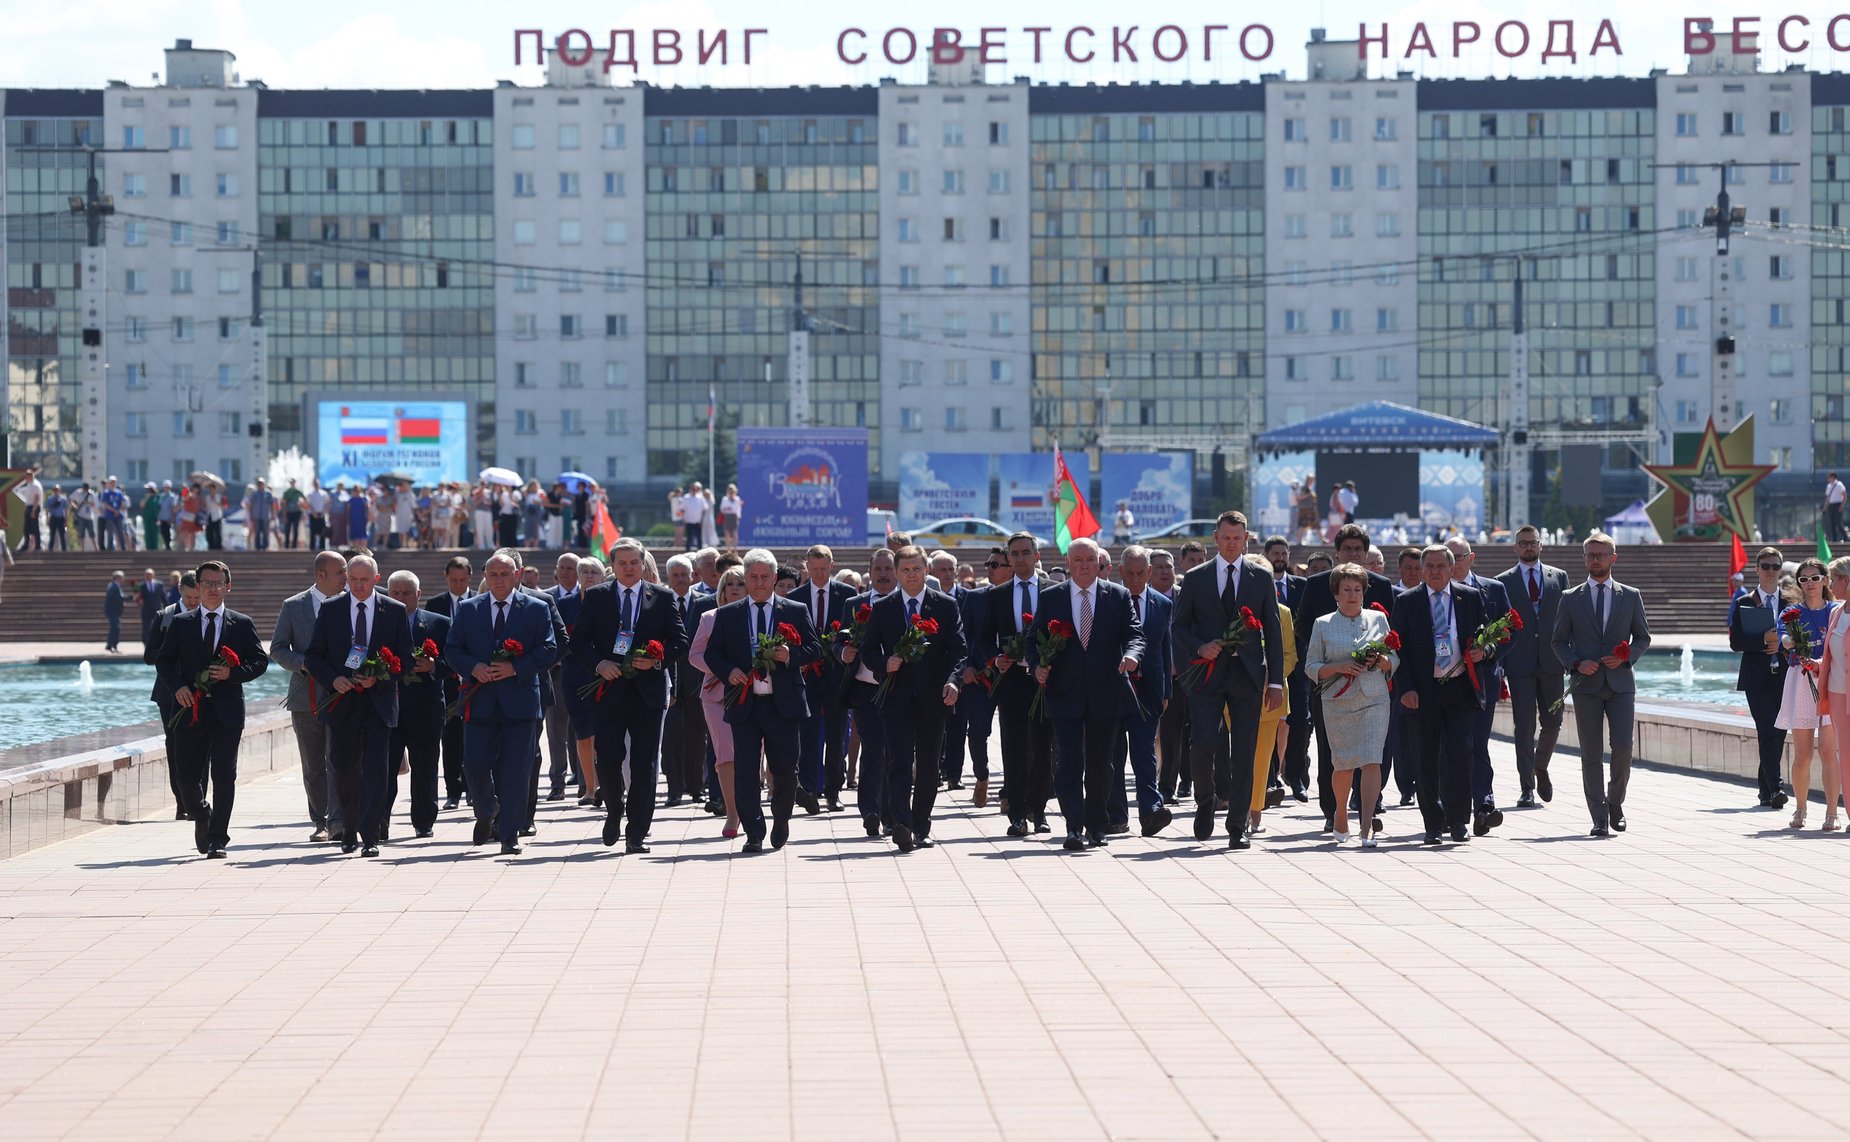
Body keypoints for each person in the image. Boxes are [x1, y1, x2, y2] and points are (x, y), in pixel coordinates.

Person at [1173, 511, 1286, 849]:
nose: (1232, 543)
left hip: (1247, 674)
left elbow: (1274, 632)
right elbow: (1178, 626)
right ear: (1216, 538)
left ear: (1246, 539)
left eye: (1238, 538)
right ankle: (1205, 799)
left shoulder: (1260, 578)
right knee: (1203, 743)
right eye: (1226, 538)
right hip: (1208, 673)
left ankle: (1237, 825)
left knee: (1245, 751)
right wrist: (1200, 646)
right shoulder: (1196, 578)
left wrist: (1276, 682)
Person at [570, 537, 688, 853]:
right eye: (622, 563)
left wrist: (656, 660)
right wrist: (600, 663)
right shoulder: (596, 597)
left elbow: (679, 643)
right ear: (613, 566)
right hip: (609, 691)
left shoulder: (662, 597)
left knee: (644, 764)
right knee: (608, 758)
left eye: (634, 562)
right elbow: (578, 642)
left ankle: (637, 832)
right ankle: (613, 810)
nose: (628, 568)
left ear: (643, 563)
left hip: (648, 693)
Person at [1025, 538, 1142, 852]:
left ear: (1100, 563)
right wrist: (1037, 666)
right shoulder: (1051, 597)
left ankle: (1097, 825)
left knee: (1102, 763)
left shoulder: (1116, 595)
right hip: (1065, 694)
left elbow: (1134, 634)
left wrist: (1131, 656)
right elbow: (1033, 640)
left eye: (1091, 559)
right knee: (1069, 762)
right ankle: (1073, 826)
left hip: (1107, 692)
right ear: (1068, 563)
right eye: (1079, 560)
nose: (1085, 565)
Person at [703, 548, 822, 852]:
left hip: (783, 705)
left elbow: (814, 649)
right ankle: (753, 831)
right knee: (745, 769)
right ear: (745, 578)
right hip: (745, 703)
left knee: (784, 768)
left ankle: (781, 819)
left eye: (764, 577)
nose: (758, 583)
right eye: (752, 577)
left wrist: (790, 655)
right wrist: (729, 671)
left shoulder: (794, 610)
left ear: (774, 578)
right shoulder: (729, 613)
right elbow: (712, 652)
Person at [445, 551, 558, 855]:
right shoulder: (469, 609)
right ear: (485, 576)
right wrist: (473, 667)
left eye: (504, 574)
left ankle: (510, 835)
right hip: (479, 700)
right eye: (492, 574)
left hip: (520, 702)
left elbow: (549, 649)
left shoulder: (536, 608)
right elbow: (452, 649)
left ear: (517, 575)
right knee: (475, 766)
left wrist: (515, 668)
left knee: (517, 770)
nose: (498, 580)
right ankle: (487, 809)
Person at [156, 560, 270, 858]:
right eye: (207, 583)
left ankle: (218, 838)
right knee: (184, 775)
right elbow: (164, 661)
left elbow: (259, 662)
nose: (212, 589)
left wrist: (233, 674)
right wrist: (178, 687)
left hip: (227, 712)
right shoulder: (182, 623)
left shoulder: (241, 623)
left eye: (218, 583)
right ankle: (201, 813)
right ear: (198, 587)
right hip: (189, 708)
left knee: (224, 775)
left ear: (228, 587)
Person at [304, 555, 413, 857]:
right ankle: (348, 828)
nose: (359, 585)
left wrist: (378, 677)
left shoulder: (394, 611)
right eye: (353, 579)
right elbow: (314, 656)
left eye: (365, 579)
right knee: (344, 768)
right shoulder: (331, 610)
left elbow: (405, 660)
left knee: (378, 770)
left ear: (377, 579)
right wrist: (334, 679)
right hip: (342, 702)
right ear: (346, 579)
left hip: (378, 704)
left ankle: (370, 834)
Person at [859, 545, 965, 852]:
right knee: (900, 762)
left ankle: (922, 826)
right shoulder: (884, 607)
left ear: (926, 570)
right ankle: (901, 823)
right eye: (905, 570)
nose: (911, 575)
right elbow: (867, 650)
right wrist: (884, 663)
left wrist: (953, 681)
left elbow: (959, 650)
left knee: (930, 765)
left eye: (917, 569)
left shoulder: (945, 606)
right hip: (895, 698)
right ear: (896, 573)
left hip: (934, 699)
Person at [1293, 525, 1395, 833]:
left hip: (1373, 691)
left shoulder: (1380, 585)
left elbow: (1393, 640)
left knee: (1373, 754)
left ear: (1366, 553)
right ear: (1338, 551)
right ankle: (1333, 810)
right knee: (1334, 755)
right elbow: (1303, 629)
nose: (1353, 553)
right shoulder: (1317, 586)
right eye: (1347, 548)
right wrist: (1335, 663)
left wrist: (1380, 661)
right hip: (1333, 690)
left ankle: (1367, 812)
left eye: (1358, 549)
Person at [1549, 532, 1653, 837]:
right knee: (1590, 753)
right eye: (1590, 555)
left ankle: (1615, 802)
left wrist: (1626, 657)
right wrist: (1577, 662)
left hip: (1621, 684)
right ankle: (1598, 817)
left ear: (1613, 558)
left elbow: (1643, 638)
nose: (1596, 559)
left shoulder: (1631, 596)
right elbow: (1558, 641)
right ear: (1584, 559)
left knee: (1623, 747)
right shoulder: (1570, 598)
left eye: (1601, 554)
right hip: (1586, 685)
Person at [1391, 544, 1491, 845]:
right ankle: (1433, 824)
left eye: (1440, 566)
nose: (1435, 571)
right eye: (1429, 566)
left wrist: (1483, 651)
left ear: (1451, 569)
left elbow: (1487, 637)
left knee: (1460, 754)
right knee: (1425, 758)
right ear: (1422, 570)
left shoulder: (1470, 598)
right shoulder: (1407, 602)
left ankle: (1459, 820)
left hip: (1460, 688)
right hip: (1423, 692)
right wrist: (1406, 688)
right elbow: (1398, 649)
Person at [976, 531, 1057, 838]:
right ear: (1008, 559)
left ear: (1037, 556)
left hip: (1045, 681)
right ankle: (1018, 813)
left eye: (1026, 552)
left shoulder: (1053, 591)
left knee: (1042, 748)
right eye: (1015, 554)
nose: (1021, 558)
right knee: (1014, 747)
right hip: (1011, 682)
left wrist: (1051, 659)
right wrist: (996, 659)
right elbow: (983, 639)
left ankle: (1039, 810)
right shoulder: (996, 595)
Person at [271, 551, 349, 843]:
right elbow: (277, 648)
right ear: (321, 575)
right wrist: (305, 663)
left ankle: (339, 819)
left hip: (343, 695)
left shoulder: (349, 604)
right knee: (313, 763)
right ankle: (320, 820)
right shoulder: (293, 606)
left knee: (338, 758)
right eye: (341, 572)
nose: (346, 577)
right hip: (306, 698)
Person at [1498, 525, 1569, 808]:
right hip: (1520, 663)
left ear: (1541, 546)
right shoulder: (1503, 582)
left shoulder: (1559, 577)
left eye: (1532, 543)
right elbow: (1501, 625)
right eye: (1523, 543)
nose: (1528, 547)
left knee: (1553, 722)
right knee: (1524, 726)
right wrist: (1501, 664)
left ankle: (1541, 766)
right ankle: (1526, 786)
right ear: (1515, 548)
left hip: (1552, 662)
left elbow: (1567, 619)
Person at [1445, 536, 1510, 836]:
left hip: (1483, 679)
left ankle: (1484, 803)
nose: (1454, 563)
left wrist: (1487, 651)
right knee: (1454, 745)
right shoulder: (1435, 593)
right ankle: (1450, 806)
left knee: (1479, 741)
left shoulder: (1493, 589)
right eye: (1449, 557)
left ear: (1472, 558)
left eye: (1459, 557)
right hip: (1446, 681)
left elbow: (1509, 633)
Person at [382, 570, 452, 840]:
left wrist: (435, 666)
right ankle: (379, 820)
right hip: (387, 707)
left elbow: (455, 659)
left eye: (407, 593)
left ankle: (424, 821)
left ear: (418, 595)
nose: (401, 598)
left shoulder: (439, 624)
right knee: (383, 767)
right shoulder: (379, 622)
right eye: (395, 593)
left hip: (426, 709)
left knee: (425, 767)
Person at [1773, 557, 1837, 830]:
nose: (1809, 583)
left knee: (1827, 750)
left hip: (1831, 682)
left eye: (1814, 577)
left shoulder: (1837, 610)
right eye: (1803, 579)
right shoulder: (1792, 613)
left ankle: (1832, 813)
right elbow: (1784, 638)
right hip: (1801, 681)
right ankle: (1800, 808)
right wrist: (1792, 642)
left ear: (1825, 580)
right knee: (1802, 754)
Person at [1113, 545, 1172, 836]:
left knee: (1145, 752)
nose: (1135, 579)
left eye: (1141, 573)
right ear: (1120, 571)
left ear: (1149, 572)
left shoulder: (1163, 603)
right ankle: (1116, 815)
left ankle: (1150, 810)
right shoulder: (1109, 599)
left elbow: (1165, 649)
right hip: (1114, 689)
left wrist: (1166, 691)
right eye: (1130, 573)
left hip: (1148, 692)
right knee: (1113, 753)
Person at [688, 567, 751, 836]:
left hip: (751, 692)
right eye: (729, 584)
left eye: (740, 583)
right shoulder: (709, 617)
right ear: (721, 591)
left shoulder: (757, 616)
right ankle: (732, 814)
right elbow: (695, 654)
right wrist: (722, 669)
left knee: (749, 754)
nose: (735, 588)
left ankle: (750, 809)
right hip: (716, 695)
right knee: (726, 754)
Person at [793, 545, 857, 811]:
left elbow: (852, 631)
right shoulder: (796, 597)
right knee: (807, 734)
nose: (818, 574)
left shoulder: (847, 594)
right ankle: (809, 788)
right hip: (807, 676)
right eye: (814, 569)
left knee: (836, 734)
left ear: (832, 565)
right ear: (807, 568)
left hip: (837, 675)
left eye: (823, 569)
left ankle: (833, 791)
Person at [947, 548, 1011, 803]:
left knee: (1013, 734)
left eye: (995, 564)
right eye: (988, 564)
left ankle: (1009, 790)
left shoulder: (1019, 596)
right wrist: (967, 669)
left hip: (1011, 676)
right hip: (979, 677)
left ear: (1011, 567)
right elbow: (962, 637)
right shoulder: (974, 598)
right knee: (977, 733)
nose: (989, 568)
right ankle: (982, 775)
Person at [1732, 547, 1793, 811]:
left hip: (1784, 676)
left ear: (1780, 570)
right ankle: (1777, 786)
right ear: (1756, 569)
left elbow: (1798, 639)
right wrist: (1762, 641)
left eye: (1775, 566)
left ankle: (1765, 790)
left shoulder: (1791, 603)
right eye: (1765, 566)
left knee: (1778, 732)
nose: (1770, 571)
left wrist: (1780, 645)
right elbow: (1736, 642)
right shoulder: (1745, 602)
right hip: (1756, 678)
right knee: (1767, 728)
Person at [143, 571, 199, 818]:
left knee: (200, 746)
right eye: (189, 598)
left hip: (200, 691)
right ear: (179, 590)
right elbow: (149, 655)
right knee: (175, 747)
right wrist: (172, 653)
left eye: (197, 598)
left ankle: (197, 800)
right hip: (169, 693)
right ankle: (182, 804)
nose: (194, 603)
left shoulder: (207, 615)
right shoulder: (164, 617)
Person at [425, 556, 475, 810]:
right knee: (451, 736)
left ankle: (473, 787)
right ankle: (453, 790)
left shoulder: (479, 601)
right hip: (448, 681)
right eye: (454, 580)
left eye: (462, 580)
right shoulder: (435, 604)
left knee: (474, 735)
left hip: (477, 680)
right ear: (446, 578)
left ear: (470, 578)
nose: (458, 584)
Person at [660, 554, 706, 809]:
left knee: (697, 736)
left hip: (698, 680)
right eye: (675, 575)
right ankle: (674, 789)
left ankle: (696, 786)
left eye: (684, 574)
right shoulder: (662, 602)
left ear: (693, 576)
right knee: (672, 738)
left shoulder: (703, 603)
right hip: (670, 680)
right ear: (669, 577)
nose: (680, 579)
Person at [542, 553, 582, 802]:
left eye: (572, 568)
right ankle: (557, 782)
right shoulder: (546, 597)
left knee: (581, 728)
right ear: (556, 570)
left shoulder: (589, 596)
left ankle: (583, 777)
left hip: (583, 672)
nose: (567, 572)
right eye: (563, 568)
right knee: (555, 730)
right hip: (554, 673)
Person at [13, 466, 42, 553]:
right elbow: (28, 499)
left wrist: (33, 510)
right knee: (26, 529)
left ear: (30, 476)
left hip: (34, 507)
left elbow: (36, 499)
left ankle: (37, 546)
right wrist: (26, 509)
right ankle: (25, 545)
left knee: (34, 528)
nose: (25, 478)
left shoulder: (35, 485)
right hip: (29, 506)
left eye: (26, 477)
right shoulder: (29, 485)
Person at [244, 480, 276, 551]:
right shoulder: (254, 494)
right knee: (257, 532)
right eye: (259, 484)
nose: (260, 485)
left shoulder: (268, 494)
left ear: (264, 484)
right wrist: (251, 515)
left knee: (265, 532)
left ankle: (265, 546)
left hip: (265, 516)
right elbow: (251, 505)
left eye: (261, 484)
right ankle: (257, 547)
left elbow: (272, 505)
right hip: (256, 516)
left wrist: (273, 514)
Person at [679, 482, 709, 551]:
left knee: (699, 538)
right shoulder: (686, 497)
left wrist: (702, 520)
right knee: (689, 538)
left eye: (695, 489)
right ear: (690, 489)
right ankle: (687, 552)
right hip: (688, 521)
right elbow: (682, 509)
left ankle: (700, 553)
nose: (694, 490)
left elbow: (704, 510)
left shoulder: (700, 498)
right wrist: (683, 519)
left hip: (697, 521)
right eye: (693, 489)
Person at [136, 568, 163, 642]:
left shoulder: (159, 584)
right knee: (146, 628)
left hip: (157, 609)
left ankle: (156, 642)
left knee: (157, 627)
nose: (148, 576)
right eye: (147, 575)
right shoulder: (140, 586)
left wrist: (167, 607)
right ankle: (145, 643)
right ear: (144, 576)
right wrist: (139, 601)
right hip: (146, 610)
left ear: (153, 575)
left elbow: (163, 596)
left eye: (150, 575)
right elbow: (137, 598)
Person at [103, 570, 127, 653]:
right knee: (115, 628)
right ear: (118, 578)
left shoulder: (115, 585)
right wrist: (134, 598)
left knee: (115, 628)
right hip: (112, 611)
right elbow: (120, 598)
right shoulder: (113, 586)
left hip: (114, 611)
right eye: (122, 577)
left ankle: (110, 645)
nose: (124, 579)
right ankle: (112, 646)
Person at [280, 479, 305, 549]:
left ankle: (294, 546)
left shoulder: (298, 492)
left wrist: (302, 508)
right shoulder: (286, 492)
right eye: (291, 482)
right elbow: (283, 504)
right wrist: (284, 514)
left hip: (297, 512)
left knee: (295, 529)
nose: (292, 484)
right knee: (287, 529)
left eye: (293, 482)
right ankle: (286, 545)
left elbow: (304, 502)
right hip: (289, 513)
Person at [45, 484, 68, 552]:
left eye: (57, 490)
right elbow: (47, 509)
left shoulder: (63, 499)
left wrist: (66, 520)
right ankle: (50, 549)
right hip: (53, 518)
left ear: (60, 490)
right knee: (52, 535)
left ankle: (64, 550)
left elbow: (66, 510)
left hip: (61, 518)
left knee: (62, 535)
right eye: (54, 490)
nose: (56, 491)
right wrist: (47, 518)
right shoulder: (50, 499)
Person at [719, 483, 742, 549]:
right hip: (727, 516)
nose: (731, 492)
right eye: (730, 491)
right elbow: (722, 509)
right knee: (727, 533)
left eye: (732, 491)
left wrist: (738, 518)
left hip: (734, 517)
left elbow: (738, 509)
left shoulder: (737, 499)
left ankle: (735, 548)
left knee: (735, 533)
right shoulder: (725, 499)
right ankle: (728, 549)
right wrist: (727, 508)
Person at [138, 484, 161, 551]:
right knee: (148, 534)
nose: (149, 491)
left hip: (155, 519)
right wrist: (147, 498)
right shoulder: (145, 497)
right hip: (147, 518)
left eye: (150, 489)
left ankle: (155, 549)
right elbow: (141, 505)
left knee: (155, 535)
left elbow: (161, 508)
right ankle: (148, 549)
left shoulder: (158, 497)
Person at [1827, 472, 1848, 545]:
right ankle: (1834, 539)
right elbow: (1828, 498)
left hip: (1838, 504)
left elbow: (1845, 495)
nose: (1828, 479)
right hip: (1831, 505)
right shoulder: (1829, 486)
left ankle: (1845, 538)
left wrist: (1842, 505)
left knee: (1838, 521)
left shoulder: (1839, 485)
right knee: (1831, 522)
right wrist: (1825, 507)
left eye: (1829, 477)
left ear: (1833, 477)